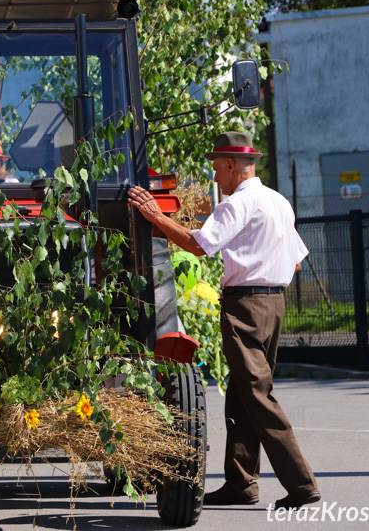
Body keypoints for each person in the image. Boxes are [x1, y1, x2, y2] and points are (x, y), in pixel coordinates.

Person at [128, 131, 320, 510]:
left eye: (217, 169)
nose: (216, 178)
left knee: (256, 394)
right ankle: (241, 483)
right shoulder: (278, 201)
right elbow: (296, 259)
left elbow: (199, 244)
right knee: (242, 393)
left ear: (231, 165)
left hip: (245, 306)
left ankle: (301, 484)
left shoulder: (238, 205)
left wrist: (155, 216)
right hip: (274, 305)